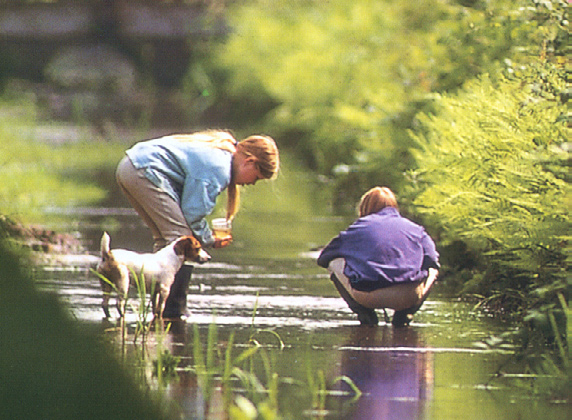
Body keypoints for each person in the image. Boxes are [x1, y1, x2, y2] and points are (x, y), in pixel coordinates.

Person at [115, 130, 280, 318]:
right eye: (257, 177)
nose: (252, 183)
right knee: (182, 238)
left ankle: (160, 306)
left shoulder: (221, 154)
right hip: (144, 170)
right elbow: (192, 214)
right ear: (249, 162)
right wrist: (209, 239)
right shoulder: (219, 168)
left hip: (132, 165)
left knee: (167, 240)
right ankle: (174, 309)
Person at [317, 187, 439, 327]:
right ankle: (405, 314)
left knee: (334, 262)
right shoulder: (417, 229)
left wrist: (355, 260)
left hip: (368, 294)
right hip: (409, 295)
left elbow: (324, 258)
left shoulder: (356, 229)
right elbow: (432, 260)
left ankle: (365, 314)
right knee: (432, 270)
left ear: (364, 208)